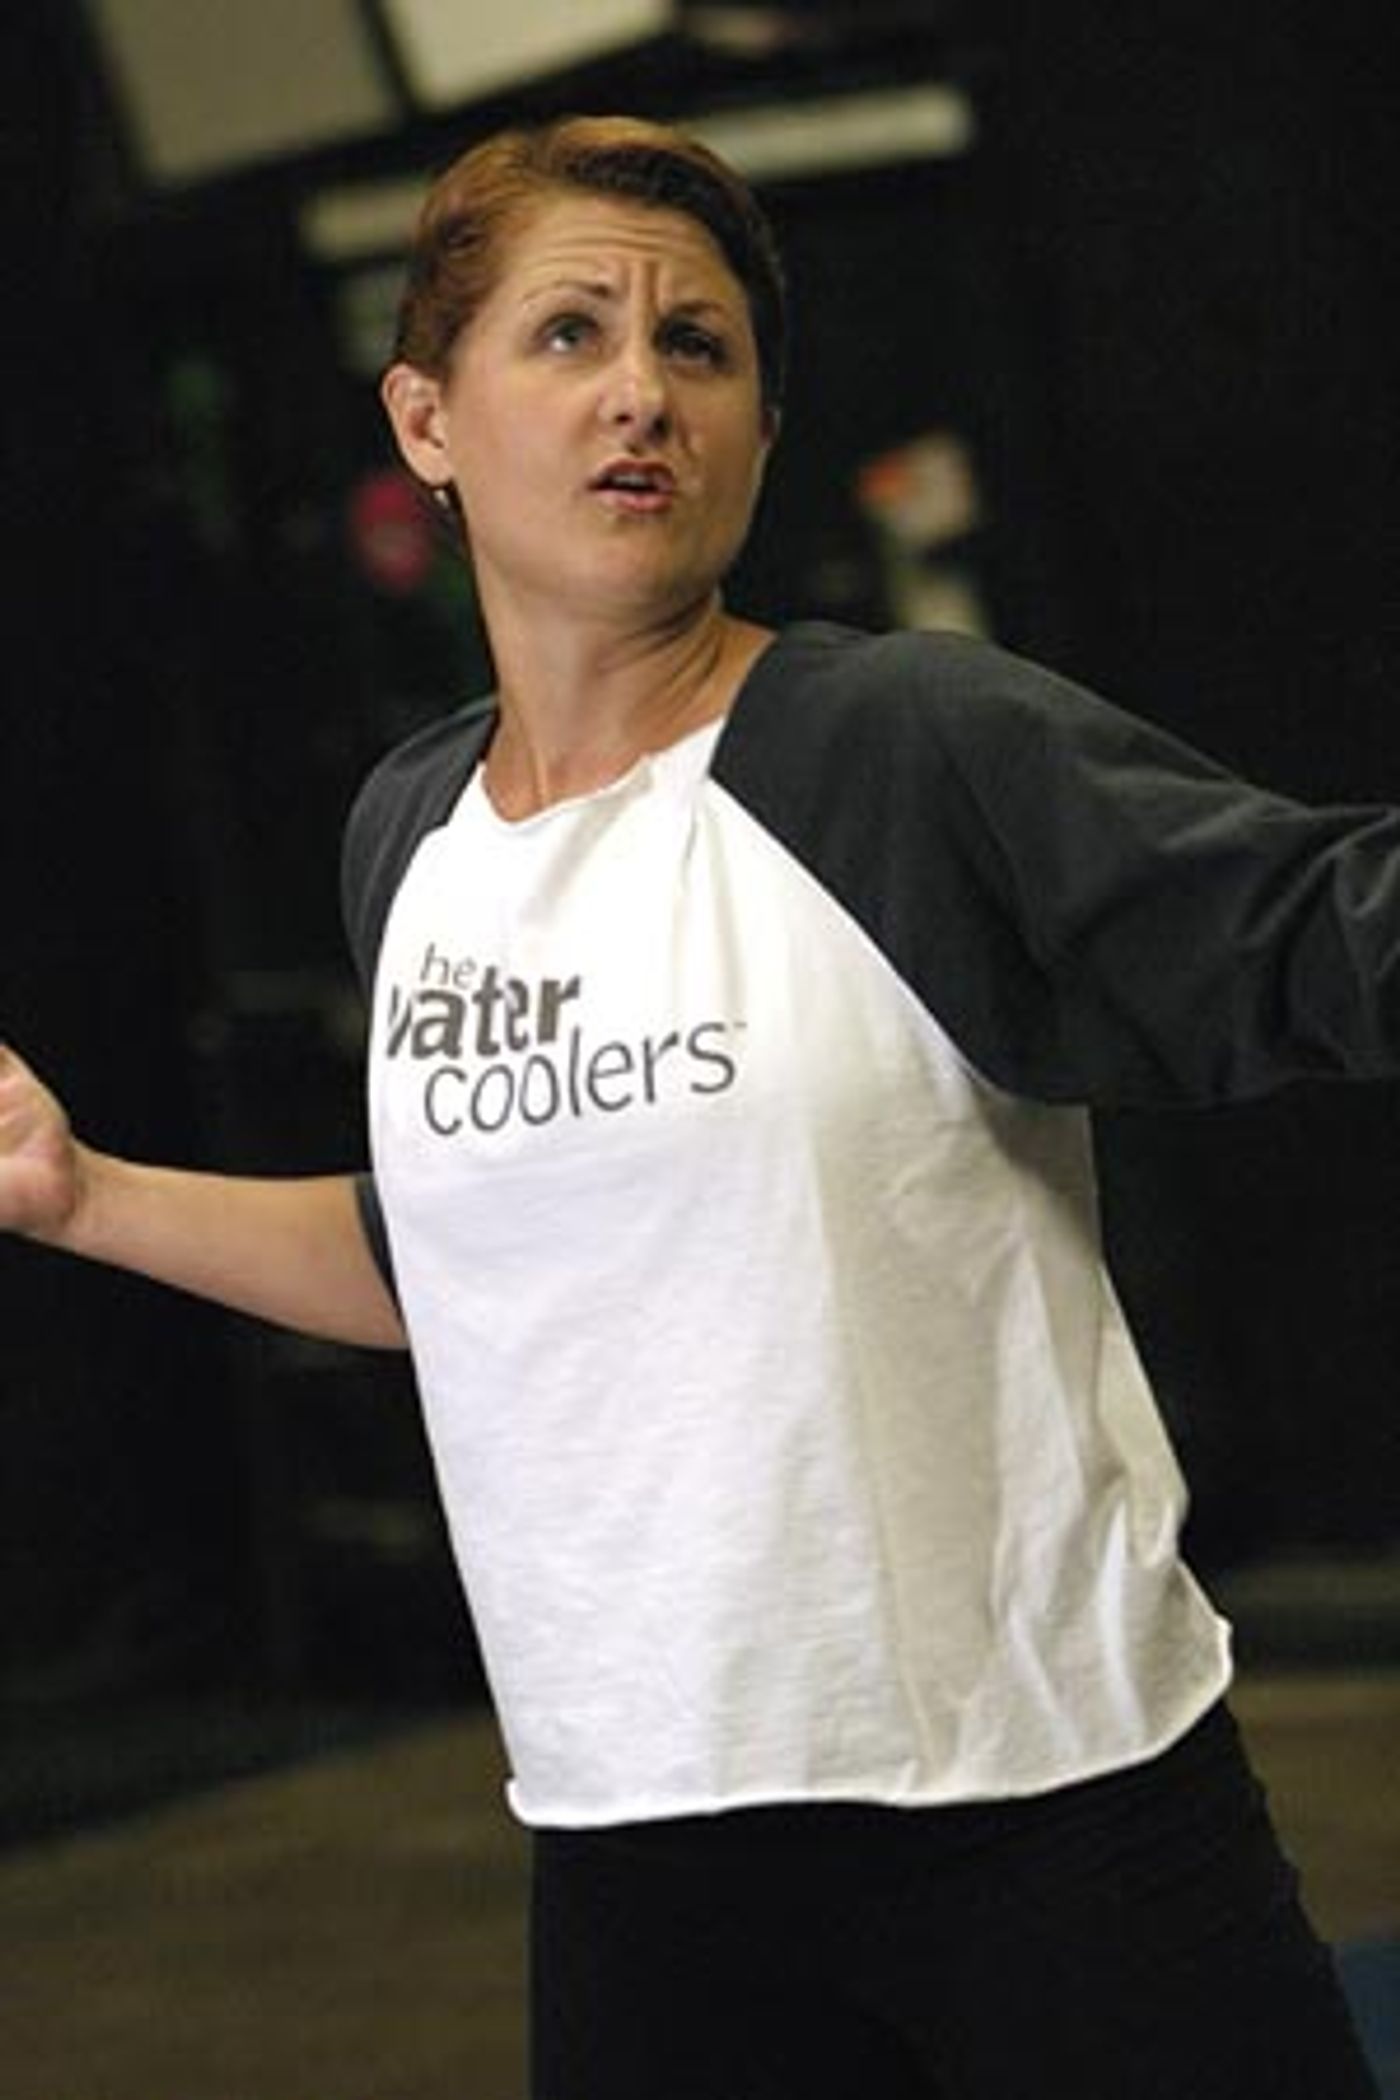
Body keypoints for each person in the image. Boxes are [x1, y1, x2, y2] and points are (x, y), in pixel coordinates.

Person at [0, 113, 1387, 2099]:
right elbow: (457, 1259)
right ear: (425, 420)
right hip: (635, 1851)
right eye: (570, 334)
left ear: (754, 430)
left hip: (1044, 1817)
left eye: (698, 346)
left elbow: (1322, 931)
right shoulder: (411, 833)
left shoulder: (898, 745)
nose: (641, 392)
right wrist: (77, 1194)